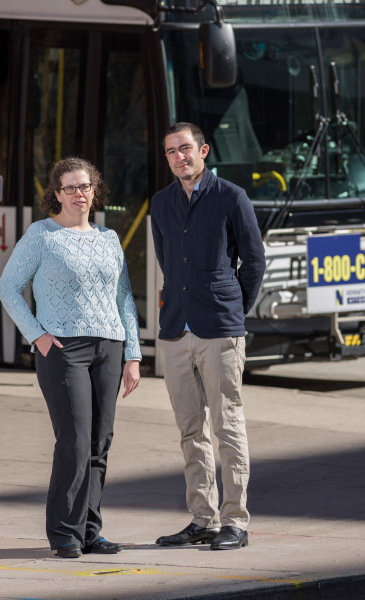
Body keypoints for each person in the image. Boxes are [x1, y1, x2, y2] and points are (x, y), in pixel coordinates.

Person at [0, 157, 141, 559]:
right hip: (63, 350)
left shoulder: (109, 238)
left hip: (109, 346)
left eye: (86, 186)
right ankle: (64, 533)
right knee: (75, 442)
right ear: (56, 194)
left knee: (99, 442)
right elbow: (7, 288)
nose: (80, 194)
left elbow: (123, 297)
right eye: (71, 188)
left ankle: (90, 531)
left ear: (96, 191)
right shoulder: (41, 235)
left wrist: (133, 353)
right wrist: (37, 336)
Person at [150, 123, 265, 551]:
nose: (179, 157)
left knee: (227, 425)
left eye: (185, 149)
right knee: (190, 429)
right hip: (176, 329)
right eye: (171, 152)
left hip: (220, 329)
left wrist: (232, 307)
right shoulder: (160, 203)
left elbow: (253, 262)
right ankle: (203, 518)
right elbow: (167, 262)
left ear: (203, 150)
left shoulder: (230, 196)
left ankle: (236, 521)